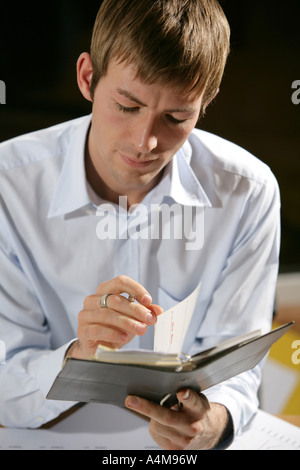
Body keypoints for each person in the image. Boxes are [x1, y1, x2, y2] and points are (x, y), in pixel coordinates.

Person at [0, 0, 280, 450]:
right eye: (127, 105)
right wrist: (80, 357)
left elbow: (239, 363)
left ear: (205, 104)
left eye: (176, 118)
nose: (145, 142)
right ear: (88, 78)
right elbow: (3, 385)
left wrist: (212, 425)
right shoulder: (7, 187)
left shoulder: (248, 191)